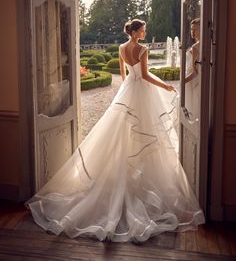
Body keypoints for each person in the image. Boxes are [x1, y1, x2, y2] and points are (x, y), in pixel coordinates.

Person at [26, 19, 205, 243]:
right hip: (142, 90)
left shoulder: (121, 48)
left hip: (128, 89)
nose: (145, 32)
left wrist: (127, 88)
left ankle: (121, 178)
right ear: (137, 32)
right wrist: (166, 86)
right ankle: (139, 181)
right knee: (146, 135)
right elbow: (147, 76)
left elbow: (124, 75)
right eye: (144, 29)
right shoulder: (142, 49)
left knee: (122, 134)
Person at [185, 18, 201, 124]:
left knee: (194, 108)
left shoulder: (196, 47)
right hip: (196, 81)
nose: (192, 32)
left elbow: (195, 72)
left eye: (195, 29)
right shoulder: (204, 44)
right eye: (191, 29)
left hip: (193, 81)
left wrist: (183, 81)